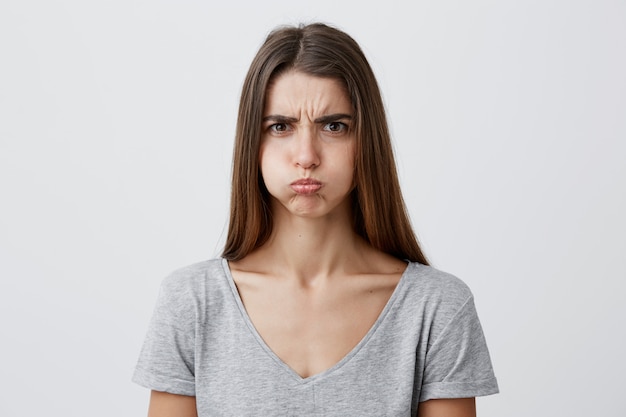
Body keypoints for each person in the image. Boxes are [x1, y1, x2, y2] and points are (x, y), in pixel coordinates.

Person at [133, 22, 499, 416]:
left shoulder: (436, 308)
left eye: (333, 126)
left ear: (367, 141)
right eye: (280, 127)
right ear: (251, 144)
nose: (306, 155)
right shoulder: (191, 302)